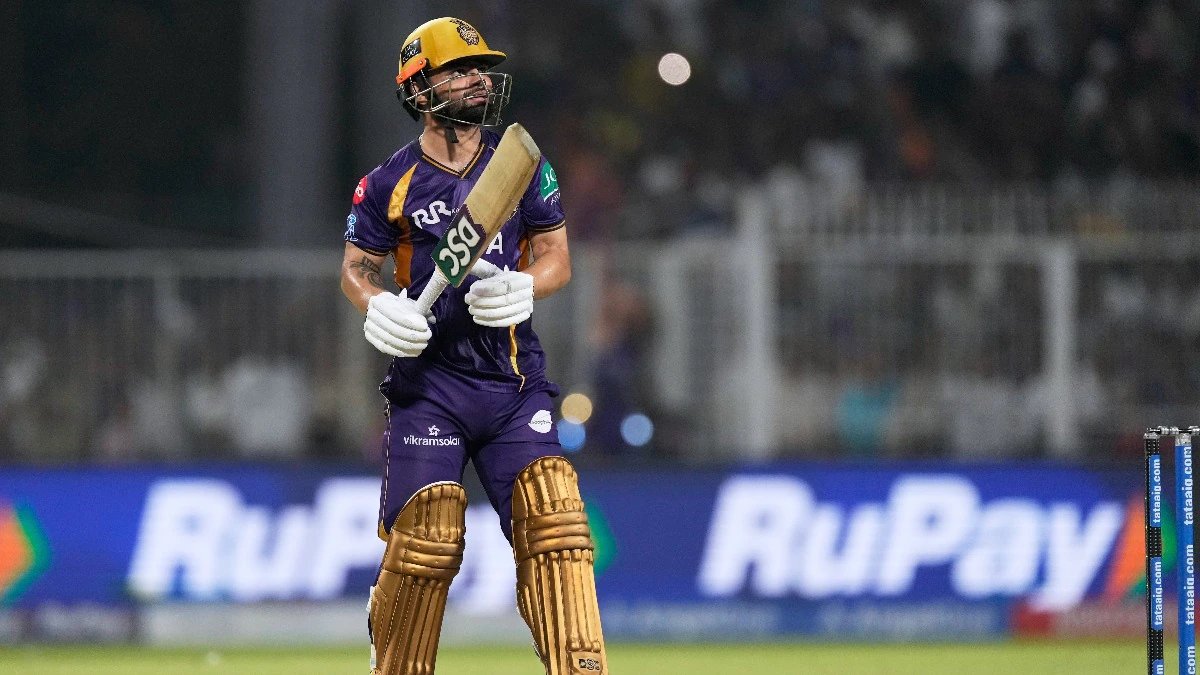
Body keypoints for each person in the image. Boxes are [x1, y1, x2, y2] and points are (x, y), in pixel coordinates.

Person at [338, 17, 608, 675]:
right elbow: (356, 268)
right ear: (418, 89)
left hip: (514, 383)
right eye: (459, 70)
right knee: (428, 534)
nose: (479, 80)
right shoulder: (388, 183)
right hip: (429, 388)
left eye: (481, 68)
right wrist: (377, 305)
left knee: (555, 522)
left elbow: (557, 257)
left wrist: (526, 284)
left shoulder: (522, 165)